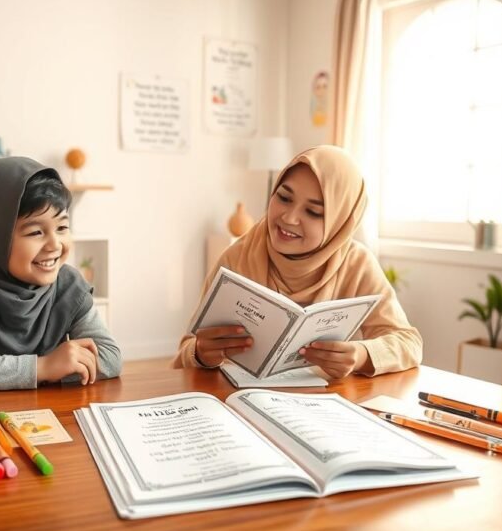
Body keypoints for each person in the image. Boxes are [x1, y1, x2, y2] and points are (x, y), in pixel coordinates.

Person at [173, 145, 421, 378]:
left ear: (339, 222)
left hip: (321, 405)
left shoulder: (356, 264)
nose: (289, 218)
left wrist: (361, 355)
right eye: (284, 198)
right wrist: (202, 353)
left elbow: (407, 342)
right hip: (239, 401)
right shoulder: (238, 256)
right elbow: (188, 348)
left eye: (313, 212)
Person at [0, 156, 121, 392]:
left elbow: (109, 357)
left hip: (39, 419)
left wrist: (62, 368)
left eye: (62, 227)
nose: (54, 244)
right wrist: (43, 368)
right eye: (36, 232)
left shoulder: (68, 285)